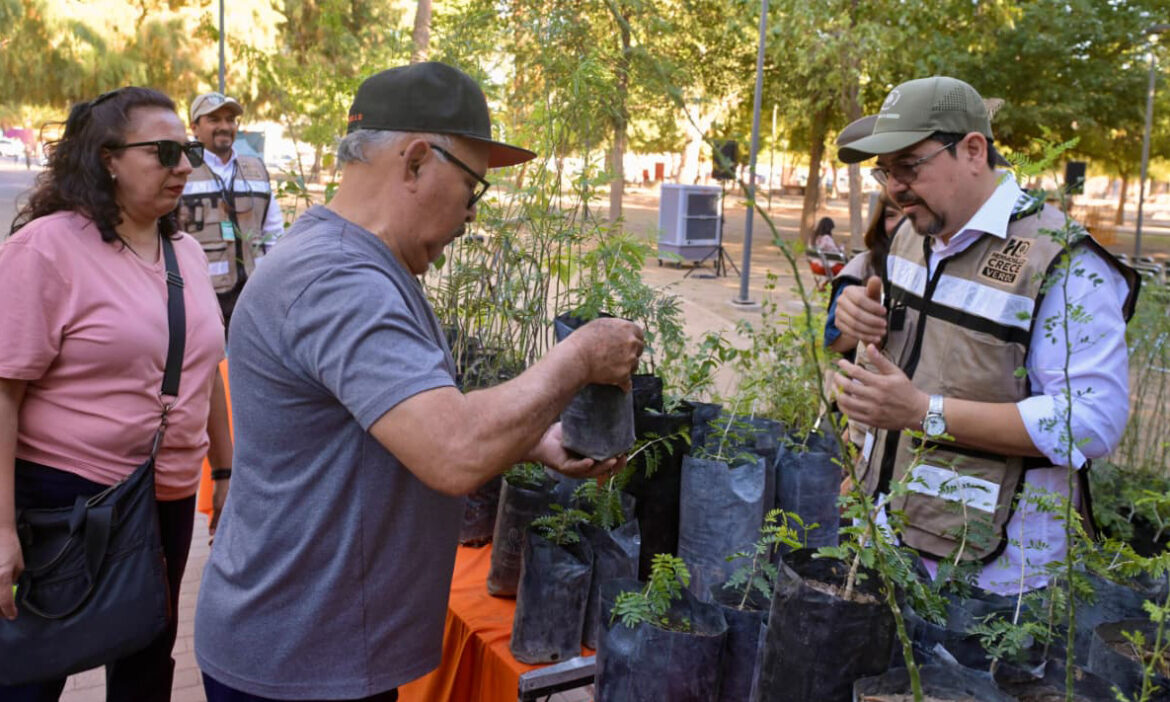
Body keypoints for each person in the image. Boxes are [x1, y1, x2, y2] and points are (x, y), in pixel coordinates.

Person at [193, 62, 644, 702]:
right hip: (298, 663)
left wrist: (534, 440)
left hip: (319, 648)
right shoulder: (339, 280)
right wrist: (577, 358)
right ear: (413, 162)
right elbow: (452, 448)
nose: (469, 215)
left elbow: (403, 425)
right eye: (472, 188)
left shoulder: (358, 263)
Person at [832, 76, 1137, 594]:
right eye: (885, 171)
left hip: (996, 578)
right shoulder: (911, 234)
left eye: (910, 165)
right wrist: (856, 317)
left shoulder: (1065, 264)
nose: (894, 187)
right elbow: (910, 361)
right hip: (887, 534)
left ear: (974, 150)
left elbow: (1092, 421)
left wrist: (923, 413)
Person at [0, 87, 232, 701]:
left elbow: (204, 368)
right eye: (164, 151)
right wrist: (1, 531)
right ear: (108, 158)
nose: (184, 164)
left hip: (168, 495)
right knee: (33, 667)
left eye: (185, 150)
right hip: (65, 497)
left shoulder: (184, 250)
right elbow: (3, 394)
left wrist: (225, 470)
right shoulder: (45, 249)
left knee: (147, 665)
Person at [180, 91, 285, 334]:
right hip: (199, 296)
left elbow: (274, 233)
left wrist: (274, 285)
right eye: (214, 120)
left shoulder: (256, 169)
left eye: (230, 119)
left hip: (253, 294)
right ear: (195, 127)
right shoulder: (180, 170)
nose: (224, 126)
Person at [825, 192, 901, 356]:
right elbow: (832, 341)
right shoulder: (862, 268)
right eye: (891, 215)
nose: (901, 223)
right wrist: (872, 330)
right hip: (864, 375)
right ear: (880, 222)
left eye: (909, 215)